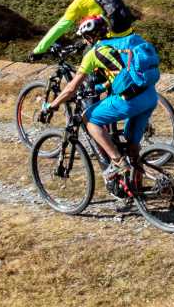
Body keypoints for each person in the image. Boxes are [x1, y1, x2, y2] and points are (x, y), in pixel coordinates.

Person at [45, 15, 159, 186]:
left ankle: (118, 162)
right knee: (132, 149)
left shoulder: (93, 54)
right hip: (150, 96)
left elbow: (70, 88)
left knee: (89, 119)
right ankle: (140, 187)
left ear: (90, 37)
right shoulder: (126, 40)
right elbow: (123, 72)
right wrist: (100, 87)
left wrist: (52, 106)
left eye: (85, 37)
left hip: (130, 101)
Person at [32, 0, 123, 56]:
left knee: (87, 59)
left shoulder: (79, 2)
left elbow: (59, 28)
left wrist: (38, 50)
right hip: (124, 35)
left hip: (108, 42)